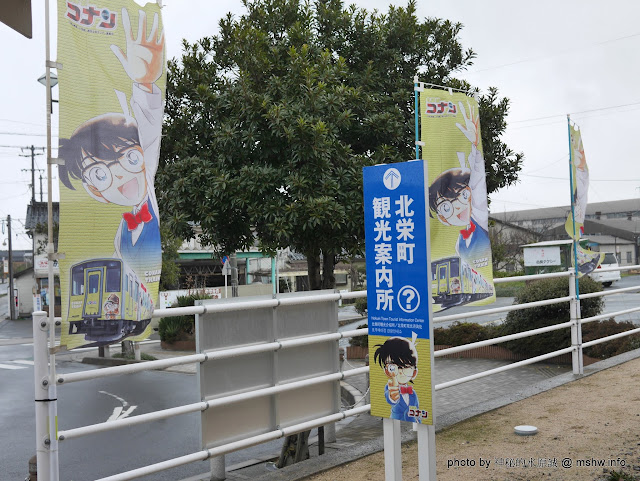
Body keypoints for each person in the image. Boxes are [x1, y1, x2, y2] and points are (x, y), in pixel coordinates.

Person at [58, 8, 164, 276]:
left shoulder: (146, 170)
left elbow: (148, 121)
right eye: (100, 174)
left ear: (140, 154)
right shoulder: (122, 233)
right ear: (95, 191)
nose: (119, 173)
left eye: (128, 157)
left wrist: (144, 83)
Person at [428, 101, 490, 264]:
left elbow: (476, 179)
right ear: (442, 218)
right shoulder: (458, 243)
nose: (457, 206)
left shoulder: (478, 215)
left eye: (463, 195)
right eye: (446, 207)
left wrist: (475, 146)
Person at [373, 335, 421, 423]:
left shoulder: (412, 393)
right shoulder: (390, 387)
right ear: (387, 371)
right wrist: (393, 395)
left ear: (414, 373)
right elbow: (391, 398)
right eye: (395, 367)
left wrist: (418, 421)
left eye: (406, 367)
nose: (400, 372)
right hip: (395, 421)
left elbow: (416, 409)